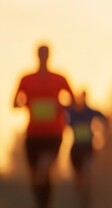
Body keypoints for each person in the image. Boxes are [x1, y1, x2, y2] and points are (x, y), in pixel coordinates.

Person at [13, 45, 75, 208]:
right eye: (40, 54)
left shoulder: (60, 78)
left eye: (45, 54)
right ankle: (42, 203)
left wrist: (60, 106)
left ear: (49, 56)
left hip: (53, 134)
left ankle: (45, 204)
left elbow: (73, 102)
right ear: (37, 55)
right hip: (33, 135)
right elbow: (14, 103)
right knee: (35, 176)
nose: (43, 57)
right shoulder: (25, 79)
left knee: (43, 168)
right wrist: (25, 103)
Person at [65, 90, 109, 208]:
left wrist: (104, 134)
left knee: (88, 171)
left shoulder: (89, 112)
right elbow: (60, 114)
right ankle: (80, 198)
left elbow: (104, 118)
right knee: (78, 177)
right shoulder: (71, 112)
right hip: (75, 149)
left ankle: (87, 198)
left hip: (87, 148)